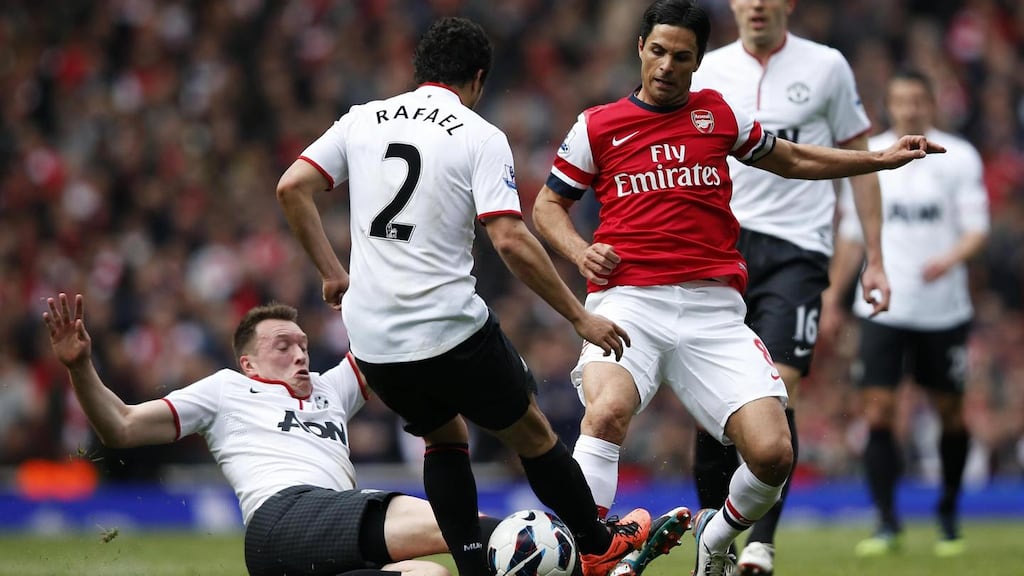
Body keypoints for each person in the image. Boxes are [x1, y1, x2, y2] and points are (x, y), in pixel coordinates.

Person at [531, 2, 945, 576]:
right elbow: (547, 205)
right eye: (658, 51)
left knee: (774, 453)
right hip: (630, 303)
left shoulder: (718, 116)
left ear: (699, 60)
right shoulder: (597, 124)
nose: (668, 66)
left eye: (682, 56)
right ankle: (590, 553)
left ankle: (718, 534)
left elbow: (795, 158)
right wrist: (579, 251)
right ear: (640, 49)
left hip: (713, 312)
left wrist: (877, 160)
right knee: (607, 412)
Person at [275, 16, 649, 576]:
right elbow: (509, 237)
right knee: (531, 431)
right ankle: (598, 547)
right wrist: (578, 316)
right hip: (448, 327)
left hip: (374, 340)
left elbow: (291, 187)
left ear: (419, 70)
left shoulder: (361, 120)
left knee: (441, 436)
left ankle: (473, 568)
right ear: (478, 79)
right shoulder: (477, 133)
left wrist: (332, 272)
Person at [43, 292, 467, 576]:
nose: (300, 353)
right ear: (249, 364)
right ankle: (518, 536)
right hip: (284, 524)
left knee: (428, 573)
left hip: (334, 546)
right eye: (282, 346)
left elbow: (384, 346)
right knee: (456, 528)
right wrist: (79, 366)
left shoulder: (330, 387)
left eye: (302, 344)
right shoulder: (226, 389)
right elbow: (122, 426)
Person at [685, 1, 891, 573]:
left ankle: (760, 545)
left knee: (776, 390)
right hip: (722, 248)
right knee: (715, 407)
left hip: (797, 250)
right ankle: (715, 539)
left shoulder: (827, 67)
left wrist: (874, 258)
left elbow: (860, 160)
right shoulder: (707, 69)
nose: (755, 5)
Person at [824, 70, 989, 559]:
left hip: (943, 310)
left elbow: (976, 228)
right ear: (890, 105)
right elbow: (852, 236)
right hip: (881, 306)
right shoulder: (871, 155)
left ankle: (949, 513)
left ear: (932, 103)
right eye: (901, 100)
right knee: (878, 411)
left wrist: (950, 258)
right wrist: (833, 297)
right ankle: (887, 521)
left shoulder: (958, 157)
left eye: (918, 100)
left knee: (950, 413)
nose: (910, 109)